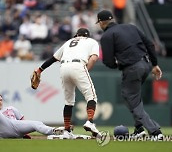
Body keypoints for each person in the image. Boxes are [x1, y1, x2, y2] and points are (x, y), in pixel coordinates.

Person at [96, 10, 163, 140]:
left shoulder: (107, 35)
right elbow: (150, 44)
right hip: (146, 64)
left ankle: (155, 132)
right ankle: (139, 129)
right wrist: (155, 64)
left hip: (132, 67)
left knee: (130, 97)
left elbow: (108, 61)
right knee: (134, 98)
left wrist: (118, 65)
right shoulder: (131, 27)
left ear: (101, 22)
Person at [34, 28, 101, 139]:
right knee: (91, 96)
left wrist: (40, 69)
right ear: (87, 36)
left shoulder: (69, 42)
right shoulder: (92, 41)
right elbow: (93, 58)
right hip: (79, 65)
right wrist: (84, 72)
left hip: (63, 68)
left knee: (68, 101)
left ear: (76, 35)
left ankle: (67, 130)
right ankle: (90, 121)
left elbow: (53, 58)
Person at [0, 95, 65, 139]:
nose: (0, 102)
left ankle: (55, 131)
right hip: (3, 130)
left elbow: (22, 120)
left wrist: (25, 132)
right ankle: (55, 131)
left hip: (15, 126)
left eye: (0, 100)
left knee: (37, 123)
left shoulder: (10, 108)